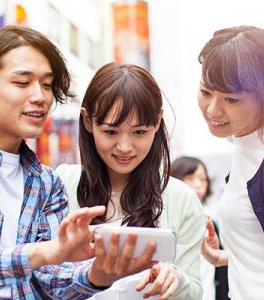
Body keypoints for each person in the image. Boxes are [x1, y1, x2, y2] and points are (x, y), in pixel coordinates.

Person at [0, 26, 157, 299]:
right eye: (22, 83)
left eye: (46, 84)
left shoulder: (46, 182)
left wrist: (98, 275)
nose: (40, 97)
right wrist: (44, 252)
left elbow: (52, 278)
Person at [57, 62, 206, 299]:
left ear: (157, 122)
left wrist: (176, 279)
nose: (125, 147)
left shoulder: (181, 199)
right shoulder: (61, 183)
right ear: (87, 121)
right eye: (111, 132)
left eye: (139, 132)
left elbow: (196, 292)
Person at [198, 25, 264, 300]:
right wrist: (228, 256)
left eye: (231, 99)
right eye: (205, 92)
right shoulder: (245, 144)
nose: (213, 109)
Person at [171, 156, 229, 300]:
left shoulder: (211, 219)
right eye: (190, 177)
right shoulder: (168, 217)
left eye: (203, 179)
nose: (198, 184)